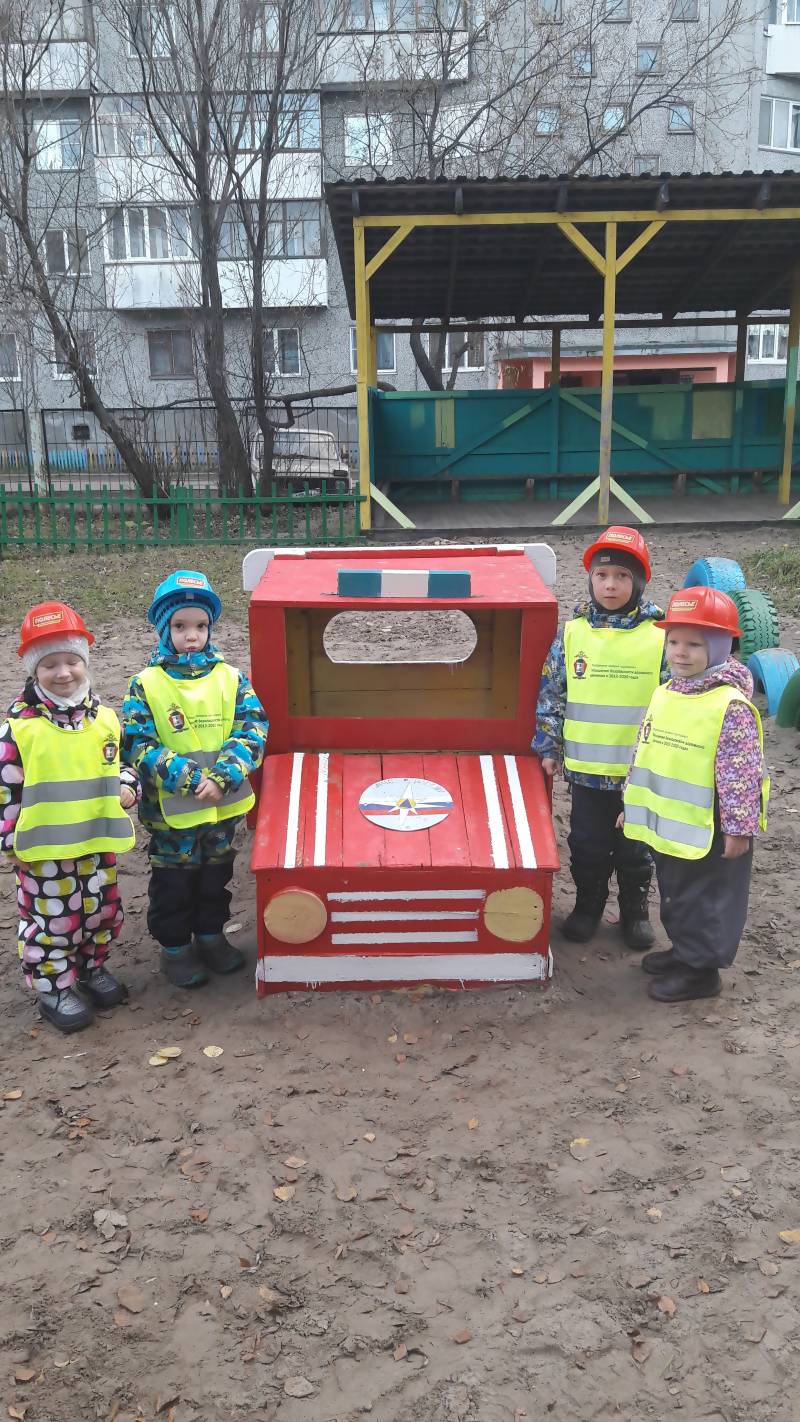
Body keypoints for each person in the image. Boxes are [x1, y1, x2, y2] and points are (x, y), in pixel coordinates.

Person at [622, 586, 769, 1003]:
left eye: (694, 644)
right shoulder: (666, 691)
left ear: (721, 647)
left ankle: (702, 972)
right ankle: (685, 952)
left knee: (707, 898)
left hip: (712, 826)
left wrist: (739, 829)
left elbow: (741, 774)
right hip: (673, 821)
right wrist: (630, 803)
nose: (680, 653)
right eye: (673, 641)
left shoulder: (730, 705)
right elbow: (644, 749)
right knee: (675, 890)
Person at [122, 570, 268, 988]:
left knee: (215, 876)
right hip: (173, 815)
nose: (192, 635)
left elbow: (253, 727)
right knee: (173, 882)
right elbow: (137, 741)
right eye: (181, 626)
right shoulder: (146, 683)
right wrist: (187, 778)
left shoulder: (232, 678)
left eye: (201, 625)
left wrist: (224, 775)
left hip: (221, 807)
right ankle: (175, 948)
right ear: (164, 629)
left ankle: (210, 936)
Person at [0, 602, 138, 1033]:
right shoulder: (19, 728)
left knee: (100, 912)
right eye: (50, 664)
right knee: (53, 919)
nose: (63, 673)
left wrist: (128, 784)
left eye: (72, 661)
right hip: (44, 851)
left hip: (96, 843)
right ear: (32, 670)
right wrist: (8, 842)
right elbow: (6, 791)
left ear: (85, 662)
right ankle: (54, 986)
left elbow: (123, 764)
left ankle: (91, 968)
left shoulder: (106, 720)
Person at [533, 526, 665, 949]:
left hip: (639, 772)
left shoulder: (661, 637)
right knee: (587, 844)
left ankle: (635, 911)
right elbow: (553, 692)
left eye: (622, 577)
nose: (611, 585)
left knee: (635, 847)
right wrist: (549, 744)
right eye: (602, 575)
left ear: (638, 582)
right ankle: (589, 905)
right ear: (590, 579)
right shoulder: (572, 634)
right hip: (587, 771)